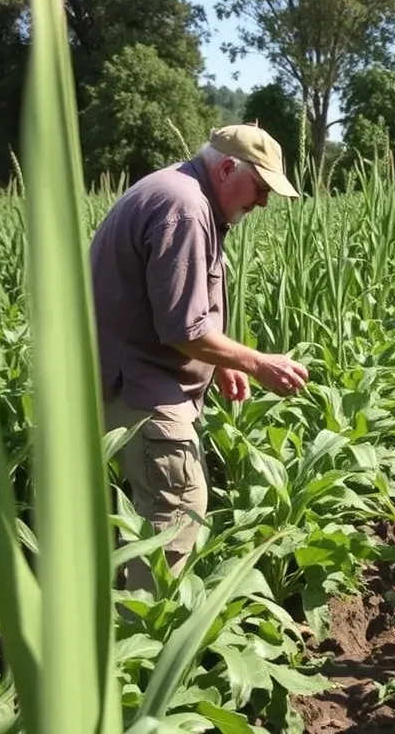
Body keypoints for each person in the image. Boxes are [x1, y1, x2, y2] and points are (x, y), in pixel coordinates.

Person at [90, 123, 311, 593]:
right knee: (176, 507)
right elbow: (184, 329)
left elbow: (176, 312)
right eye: (260, 188)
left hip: (129, 377)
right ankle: (146, 644)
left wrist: (224, 360)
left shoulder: (179, 190)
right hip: (142, 387)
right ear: (228, 167)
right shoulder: (186, 209)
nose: (262, 202)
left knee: (146, 514)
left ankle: (120, 621)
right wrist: (257, 362)